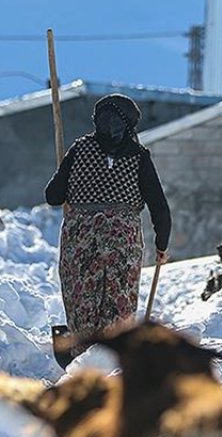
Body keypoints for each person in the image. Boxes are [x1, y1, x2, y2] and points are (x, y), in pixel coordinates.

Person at [45, 93, 171, 355]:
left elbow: (52, 196)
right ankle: (116, 352)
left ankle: (81, 351)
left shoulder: (80, 149)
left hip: (80, 236)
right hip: (122, 241)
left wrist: (71, 187)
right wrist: (162, 245)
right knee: (118, 296)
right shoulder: (139, 156)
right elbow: (159, 207)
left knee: (82, 294)